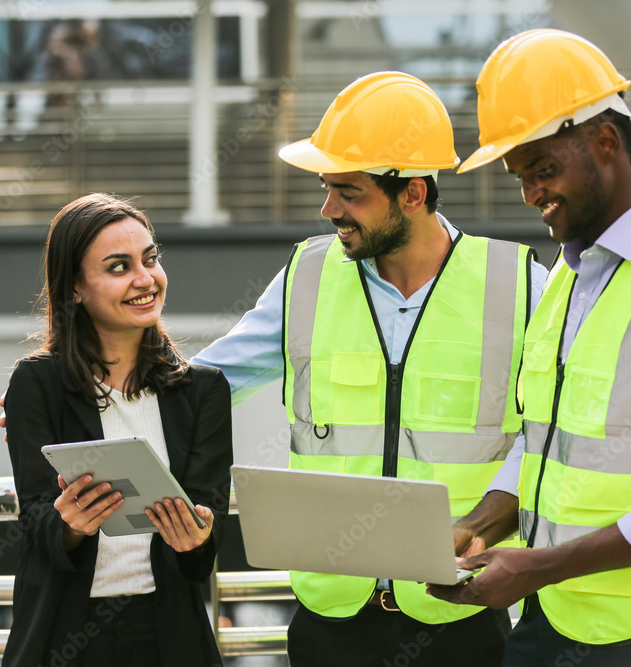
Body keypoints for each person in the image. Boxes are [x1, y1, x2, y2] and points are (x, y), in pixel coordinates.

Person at [428, 29, 631, 667]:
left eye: (543, 169)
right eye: (520, 176)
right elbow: (546, 438)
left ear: (604, 141)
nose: (530, 194)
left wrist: (541, 567)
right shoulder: (569, 279)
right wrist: (483, 524)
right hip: (558, 617)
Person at [193, 71, 548, 666]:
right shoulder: (306, 277)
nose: (328, 209)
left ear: (412, 192)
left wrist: (488, 519)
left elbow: (548, 429)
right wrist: (84, 394)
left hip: (458, 616)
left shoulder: (520, 288)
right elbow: (202, 384)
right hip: (330, 625)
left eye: (349, 192)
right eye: (328, 189)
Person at [2, 193, 231, 667]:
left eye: (150, 259)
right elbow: (35, 522)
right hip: (63, 629)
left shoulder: (203, 390)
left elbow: (204, 545)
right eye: (118, 267)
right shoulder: (36, 382)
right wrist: (67, 525)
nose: (145, 279)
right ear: (74, 290)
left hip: (167, 629)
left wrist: (197, 537)